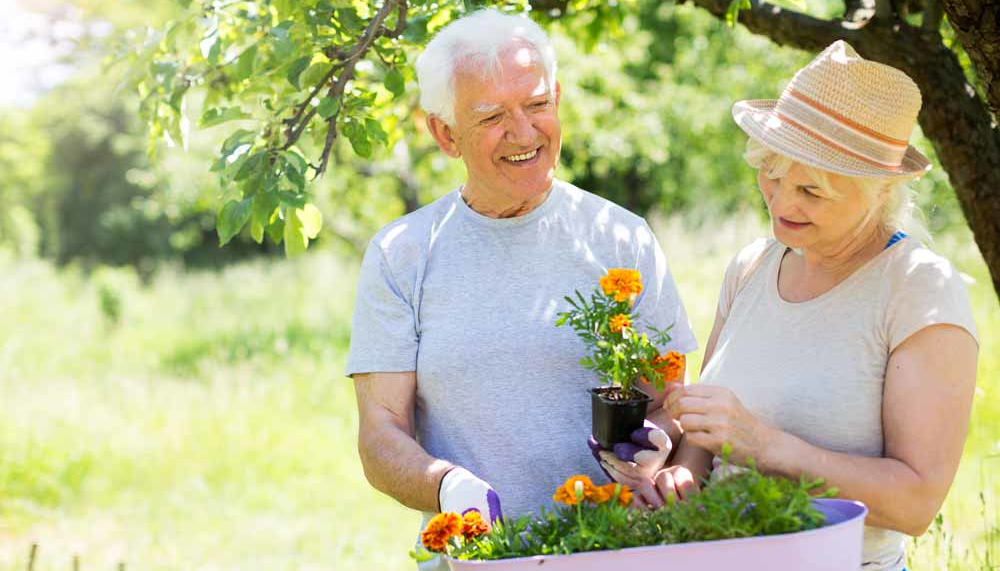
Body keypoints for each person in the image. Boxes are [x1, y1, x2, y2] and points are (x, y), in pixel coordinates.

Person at [601, 41, 978, 571]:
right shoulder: (752, 266)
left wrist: (766, 446)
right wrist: (683, 475)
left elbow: (916, 504)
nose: (781, 202)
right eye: (771, 174)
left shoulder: (918, 289)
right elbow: (712, 433)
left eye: (812, 191)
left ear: (879, 192)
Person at [345, 9, 698, 569]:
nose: (524, 132)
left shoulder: (620, 237)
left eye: (536, 104)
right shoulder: (402, 254)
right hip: (479, 558)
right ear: (444, 132)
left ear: (557, 98)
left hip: (615, 552)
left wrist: (654, 443)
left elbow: (665, 399)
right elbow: (381, 434)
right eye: (491, 117)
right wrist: (447, 489)